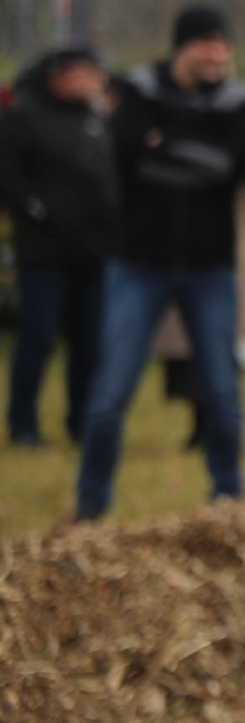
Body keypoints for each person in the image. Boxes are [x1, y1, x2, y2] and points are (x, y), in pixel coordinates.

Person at [75, 4, 245, 520]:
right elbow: (127, 151)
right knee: (111, 392)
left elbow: (241, 164)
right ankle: (90, 507)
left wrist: (166, 149)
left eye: (224, 44)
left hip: (209, 268)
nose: (217, 54)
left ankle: (229, 502)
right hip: (139, 264)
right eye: (207, 43)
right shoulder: (139, 91)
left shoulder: (239, 101)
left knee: (222, 392)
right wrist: (201, 156)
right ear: (182, 47)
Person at [0, 42, 116, 448]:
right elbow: (10, 177)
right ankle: (23, 424)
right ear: (60, 75)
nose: (94, 81)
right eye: (87, 72)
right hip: (45, 254)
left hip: (94, 253)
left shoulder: (97, 119)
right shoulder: (24, 117)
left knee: (88, 343)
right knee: (38, 338)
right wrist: (38, 212)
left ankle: (82, 423)